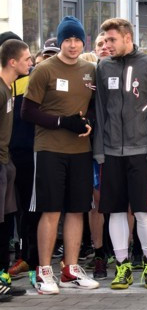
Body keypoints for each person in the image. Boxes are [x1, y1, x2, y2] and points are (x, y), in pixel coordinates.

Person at [21, 16, 98, 294]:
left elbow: (93, 106)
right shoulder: (44, 70)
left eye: (78, 39)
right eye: (68, 39)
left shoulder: (91, 69)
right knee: (51, 210)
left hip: (80, 150)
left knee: (77, 209)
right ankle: (44, 270)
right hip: (50, 149)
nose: (73, 44)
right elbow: (27, 111)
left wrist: (87, 121)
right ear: (60, 41)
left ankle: (71, 268)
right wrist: (61, 122)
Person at [94, 18, 147, 290]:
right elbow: (101, 110)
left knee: (143, 211)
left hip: (141, 152)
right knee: (114, 211)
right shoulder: (103, 66)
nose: (107, 45)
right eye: (104, 40)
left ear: (127, 37)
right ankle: (122, 266)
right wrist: (100, 149)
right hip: (111, 152)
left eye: (112, 40)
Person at [0, 39, 32, 298]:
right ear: (13, 61)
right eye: (27, 59)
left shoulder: (9, 88)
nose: (31, 63)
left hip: (6, 163)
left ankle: (3, 278)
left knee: (7, 220)